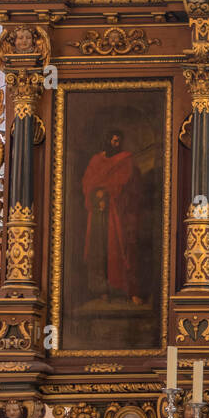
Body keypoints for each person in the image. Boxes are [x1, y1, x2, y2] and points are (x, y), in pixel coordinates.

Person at [81, 127, 143, 303]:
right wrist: (97, 195)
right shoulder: (95, 161)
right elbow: (87, 183)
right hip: (98, 214)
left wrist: (108, 192)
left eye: (118, 141)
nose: (116, 144)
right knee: (98, 250)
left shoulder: (125, 160)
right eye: (113, 141)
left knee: (120, 249)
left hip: (118, 213)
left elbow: (127, 183)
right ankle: (102, 291)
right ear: (107, 140)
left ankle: (125, 290)